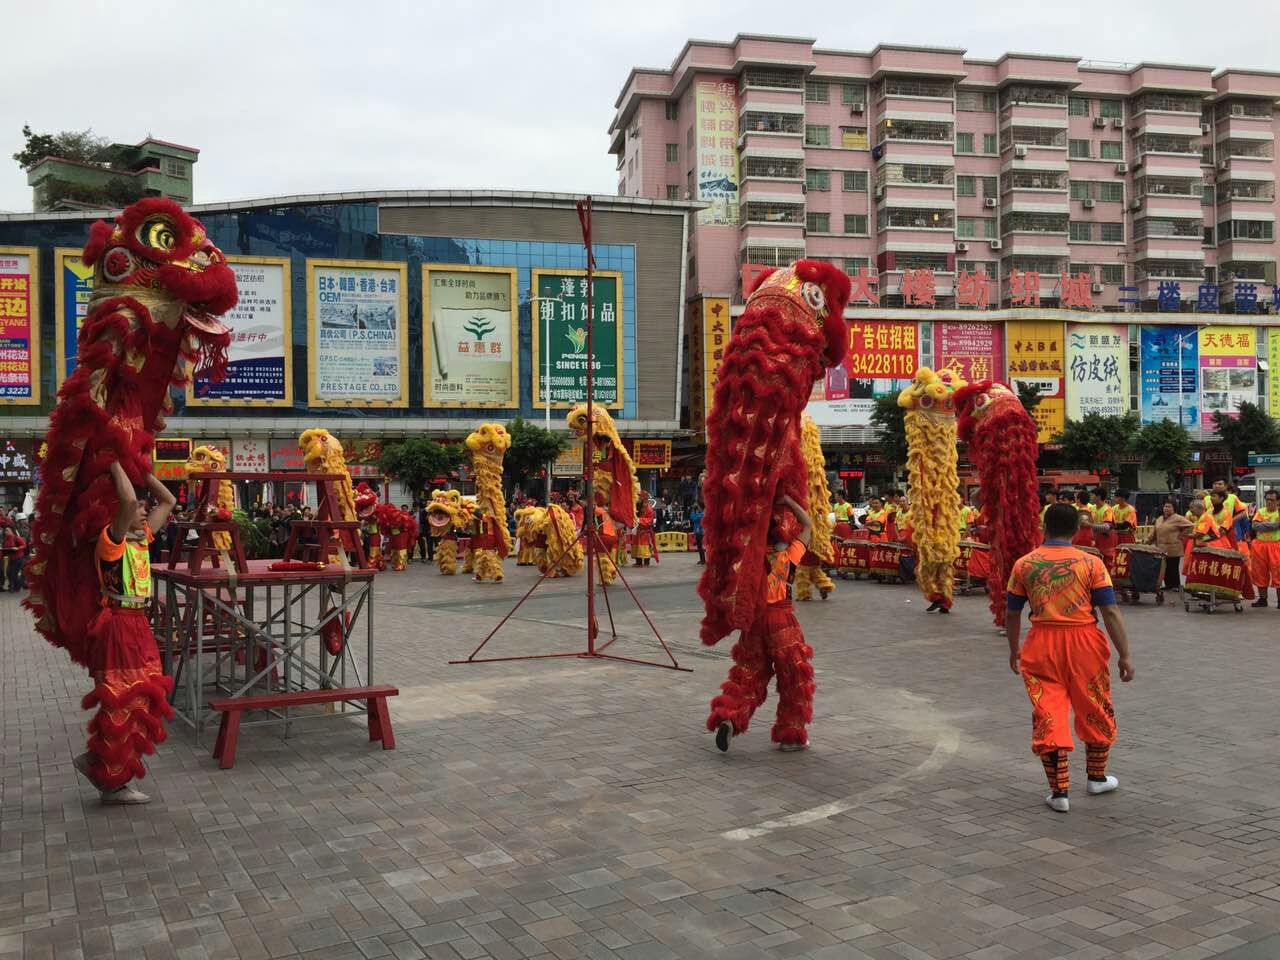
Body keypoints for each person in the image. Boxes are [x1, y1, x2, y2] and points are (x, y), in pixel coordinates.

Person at [1006, 502, 1134, 814]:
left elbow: (1012, 612)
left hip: (1041, 643)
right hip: (1084, 642)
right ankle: (1097, 777)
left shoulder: (1024, 564)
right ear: (1077, 530)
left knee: (1048, 709)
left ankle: (1059, 791)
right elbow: (1110, 610)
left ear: (1043, 528)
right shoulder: (1091, 563)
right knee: (1095, 704)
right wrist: (1125, 655)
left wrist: (1013, 649)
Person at [73, 462, 177, 805]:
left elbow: (168, 500)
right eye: (138, 507)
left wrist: (141, 466)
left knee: (144, 700)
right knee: (121, 701)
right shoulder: (110, 541)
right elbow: (130, 501)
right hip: (117, 624)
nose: (145, 508)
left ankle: (103, 767)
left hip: (138, 624)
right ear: (119, 512)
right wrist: (117, 458)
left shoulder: (140, 538)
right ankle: (110, 780)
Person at [708, 494, 815, 753]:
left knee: (748, 675)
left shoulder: (749, 560)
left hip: (754, 623)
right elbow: (809, 526)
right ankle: (791, 734)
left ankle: (730, 718)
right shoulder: (788, 556)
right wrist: (789, 502)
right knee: (793, 678)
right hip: (782, 622)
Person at [1147, 500, 1192, 601]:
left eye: (1169, 507)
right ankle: (1168, 585)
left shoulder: (1178, 518)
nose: (1166, 509)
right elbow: (1154, 532)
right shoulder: (1159, 519)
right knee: (1164, 567)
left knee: (1173, 567)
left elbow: (1190, 526)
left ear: (1174, 508)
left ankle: (1175, 585)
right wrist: (1147, 541)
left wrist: (1182, 535)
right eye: (1165, 507)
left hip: (1173, 547)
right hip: (1161, 548)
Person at [1250, 489, 1280, 608]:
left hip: (1276, 546)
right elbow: (1255, 526)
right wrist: (1275, 525)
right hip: (1260, 546)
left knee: (1278, 573)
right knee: (1259, 572)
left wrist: (1264, 525)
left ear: (1278, 501)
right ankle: (1263, 599)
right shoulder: (1260, 511)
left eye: (1272, 500)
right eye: (1267, 500)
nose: (1269, 502)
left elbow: (1260, 525)